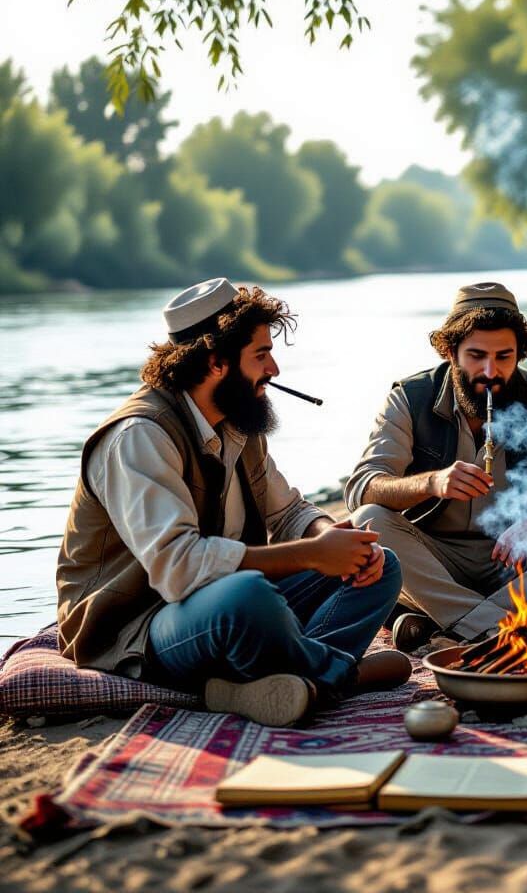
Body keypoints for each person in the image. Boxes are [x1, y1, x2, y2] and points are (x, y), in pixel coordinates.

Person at [57, 278, 410, 727]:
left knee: (380, 565)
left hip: (216, 605)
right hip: (138, 626)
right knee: (247, 596)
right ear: (216, 362)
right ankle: (342, 675)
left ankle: (282, 683)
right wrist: (311, 555)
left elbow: (289, 512)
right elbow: (180, 568)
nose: (274, 369)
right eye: (261, 355)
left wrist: (334, 539)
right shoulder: (139, 437)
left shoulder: (237, 423)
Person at [346, 282, 527, 652]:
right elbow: (363, 488)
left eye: (504, 357)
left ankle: (456, 624)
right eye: (476, 356)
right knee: (368, 520)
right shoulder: (409, 400)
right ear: (450, 351)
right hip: (437, 563)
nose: (490, 371)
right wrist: (431, 483)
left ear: (520, 354)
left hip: (524, 561)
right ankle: (515, 624)